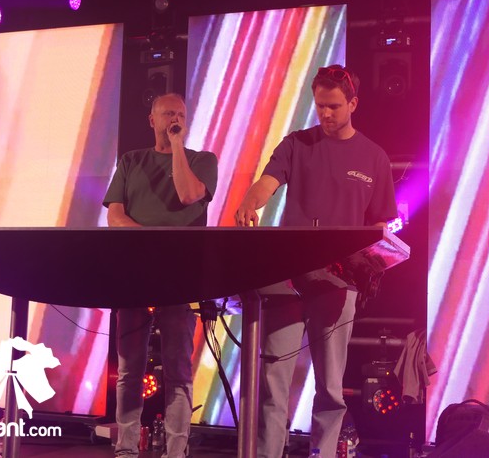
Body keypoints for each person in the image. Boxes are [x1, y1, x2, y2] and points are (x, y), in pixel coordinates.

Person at [235, 64, 397, 458]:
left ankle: (322, 453)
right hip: (286, 280)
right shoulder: (296, 144)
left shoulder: (374, 157)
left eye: (334, 106)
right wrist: (249, 202)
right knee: (274, 380)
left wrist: (375, 260)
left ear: (353, 104)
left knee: (330, 386)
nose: (325, 113)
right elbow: (266, 183)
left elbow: (380, 224)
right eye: (320, 105)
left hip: (339, 285)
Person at [103, 93, 218, 458]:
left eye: (180, 114)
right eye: (168, 114)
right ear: (152, 120)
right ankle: (125, 447)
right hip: (135, 273)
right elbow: (115, 216)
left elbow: (188, 195)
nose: (175, 119)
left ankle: (176, 449)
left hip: (180, 275)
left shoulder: (203, 160)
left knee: (178, 369)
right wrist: (149, 241)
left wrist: (177, 146)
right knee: (129, 369)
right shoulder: (131, 160)